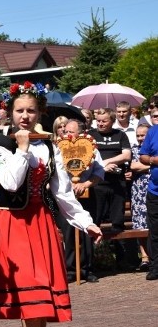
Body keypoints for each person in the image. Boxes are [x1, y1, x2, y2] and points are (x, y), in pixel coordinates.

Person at [0, 82, 102, 327]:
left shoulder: (49, 146)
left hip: (39, 220)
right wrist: (22, 148)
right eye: (19, 111)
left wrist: (85, 221)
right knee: (32, 292)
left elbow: (62, 193)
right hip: (12, 222)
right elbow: (10, 183)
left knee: (42, 292)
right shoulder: (0, 142)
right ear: (10, 113)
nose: (24, 116)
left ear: (40, 112)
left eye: (30, 110)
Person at [89, 108, 137, 271]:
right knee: (95, 222)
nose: (100, 123)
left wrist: (105, 162)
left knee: (118, 222)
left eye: (104, 121)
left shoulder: (120, 135)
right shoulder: (90, 136)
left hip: (117, 185)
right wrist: (102, 167)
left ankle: (123, 261)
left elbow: (126, 155)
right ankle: (92, 263)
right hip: (97, 185)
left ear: (112, 121)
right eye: (99, 121)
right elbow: (86, 157)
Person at [58, 120, 104, 283]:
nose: (68, 134)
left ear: (81, 133)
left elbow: (99, 172)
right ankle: (71, 269)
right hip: (66, 196)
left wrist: (85, 184)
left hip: (88, 193)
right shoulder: (59, 148)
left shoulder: (91, 147)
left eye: (72, 131)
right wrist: (68, 183)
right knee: (69, 232)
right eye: (65, 131)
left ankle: (87, 269)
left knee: (87, 232)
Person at [127, 123, 150, 270]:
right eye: (138, 135)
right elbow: (134, 166)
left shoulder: (154, 149)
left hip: (153, 189)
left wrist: (145, 166)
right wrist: (153, 165)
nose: (140, 138)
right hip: (138, 191)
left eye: (143, 135)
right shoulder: (134, 150)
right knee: (140, 223)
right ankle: (145, 257)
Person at [137, 121, 158, 280]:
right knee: (155, 232)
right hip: (155, 191)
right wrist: (153, 160)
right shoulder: (153, 132)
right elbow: (143, 156)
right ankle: (156, 267)